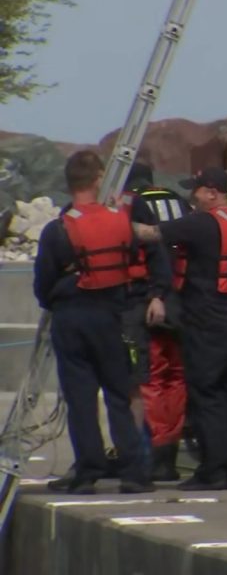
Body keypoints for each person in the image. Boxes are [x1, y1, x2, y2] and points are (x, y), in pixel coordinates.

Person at [132, 167, 227, 491]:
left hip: (210, 320)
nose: (193, 197)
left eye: (198, 191)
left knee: (207, 393)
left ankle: (213, 469)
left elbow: (151, 234)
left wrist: (115, 220)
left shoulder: (202, 221)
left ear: (213, 193)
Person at [34, 150, 152, 494]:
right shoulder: (119, 220)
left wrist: (62, 289)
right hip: (111, 315)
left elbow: (42, 284)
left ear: (70, 183)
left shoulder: (57, 229)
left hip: (71, 317)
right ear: (98, 178)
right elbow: (129, 256)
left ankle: (87, 470)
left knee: (80, 397)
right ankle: (133, 471)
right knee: (118, 393)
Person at [121, 163, 192, 482]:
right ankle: (170, 455)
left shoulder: (131, 206)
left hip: (146, 301)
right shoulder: (179, 201)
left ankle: (152, 454)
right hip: (182, 303)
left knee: (148, 380)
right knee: (176, 379)